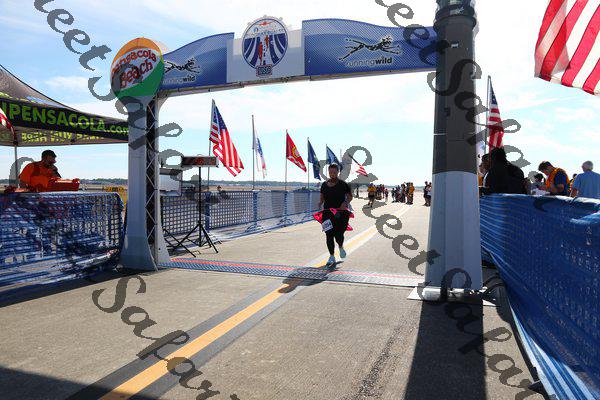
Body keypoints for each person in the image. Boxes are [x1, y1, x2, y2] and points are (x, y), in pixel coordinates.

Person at [319, 164, 353, 266]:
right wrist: (320, 203)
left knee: (338, 235)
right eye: (330, 172)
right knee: (329, 234)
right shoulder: (324, 185)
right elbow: (322, 198)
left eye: (334, 172)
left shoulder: (343, 184)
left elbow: (350, 197)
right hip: (327, 213)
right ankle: (331, 256)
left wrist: (345, 203)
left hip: (340, 213)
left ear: (338, 172)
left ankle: (341, 246)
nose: (332, 174)